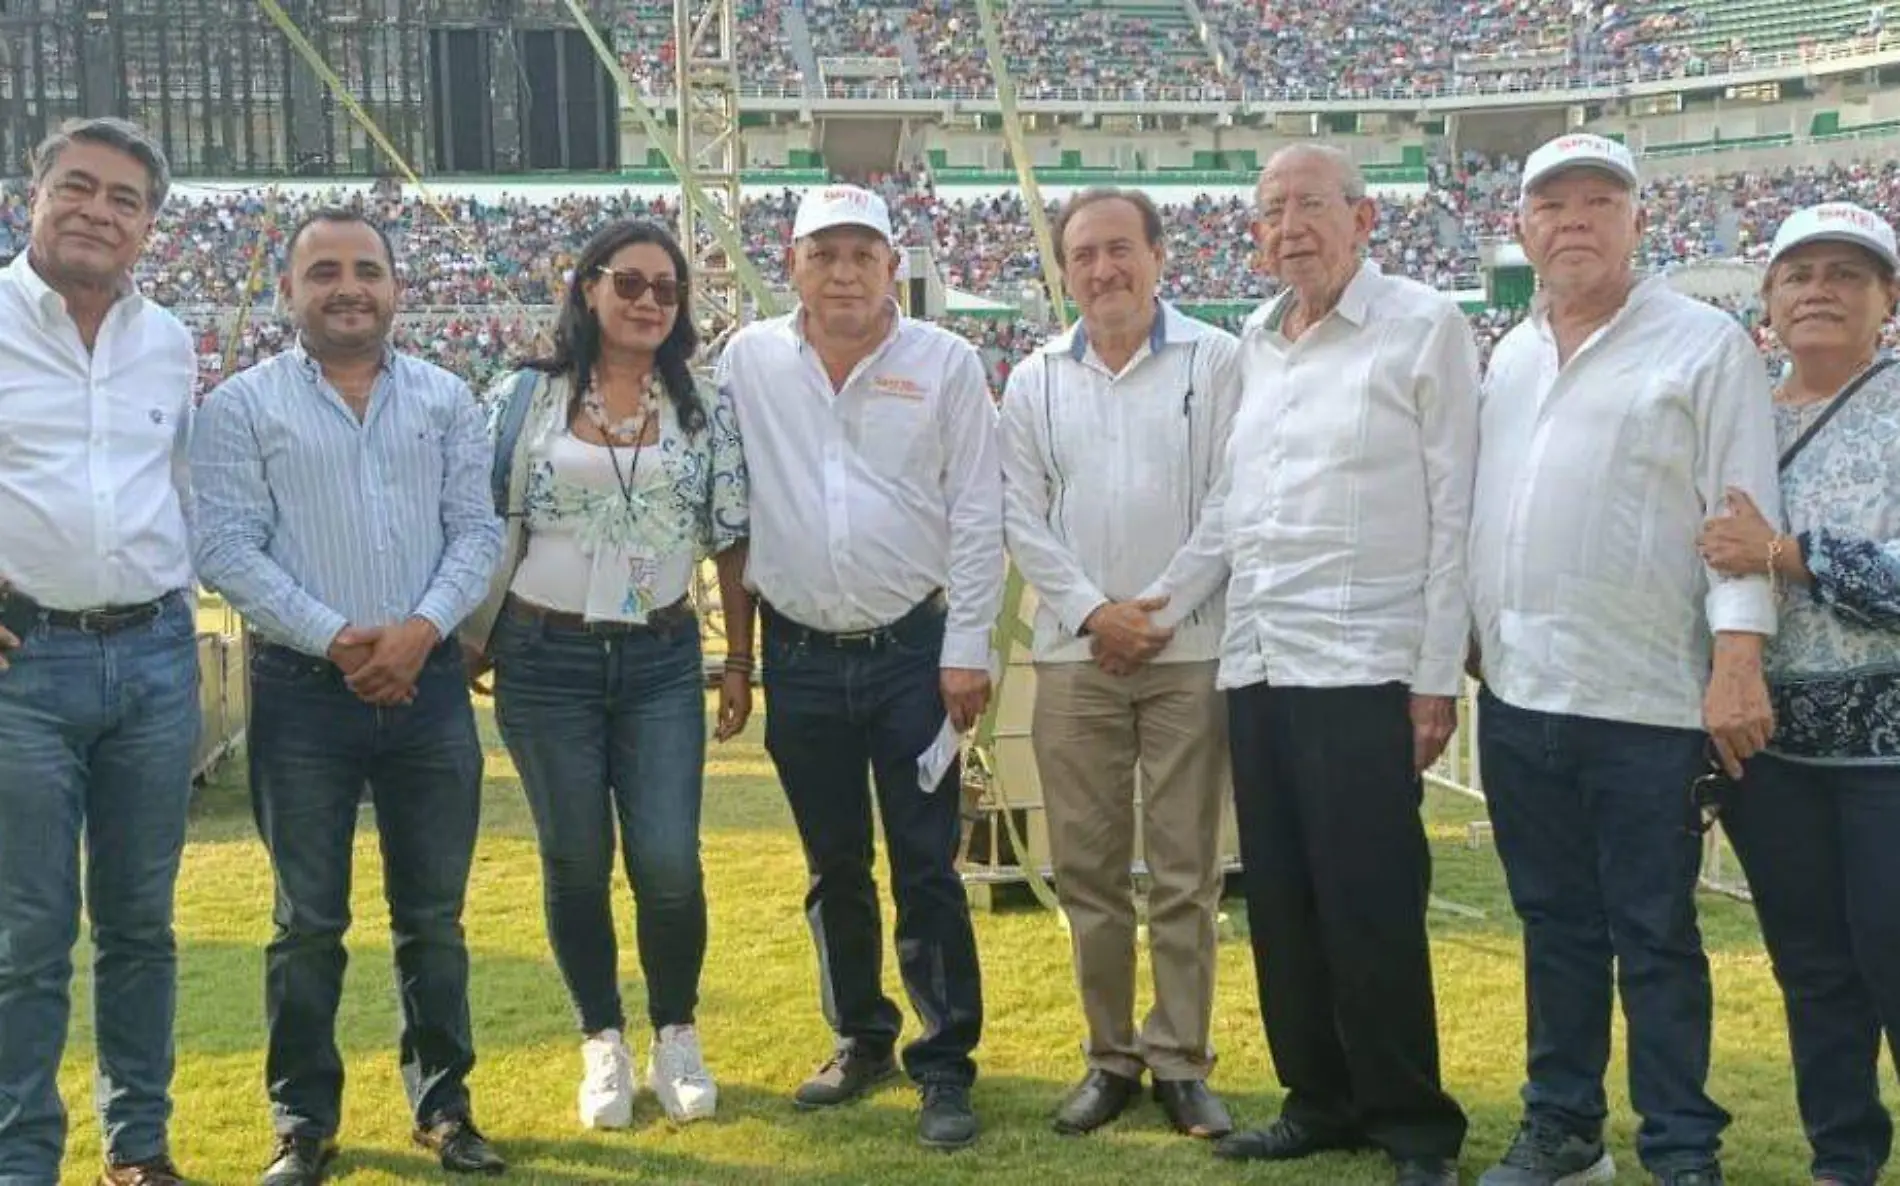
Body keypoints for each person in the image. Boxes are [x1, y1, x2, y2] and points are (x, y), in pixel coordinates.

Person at [1146, 144, 1477, 1186]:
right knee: (1281, 901)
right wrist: (1152, 608)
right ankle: (1317, 1098)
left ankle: (1411, 1120)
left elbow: (1452, 510)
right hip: (1258, 660)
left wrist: (1434, 673)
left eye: (1309, 206)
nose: (1289, 226)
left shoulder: (1423, 326)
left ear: (1362, 218)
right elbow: (1233, 513)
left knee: (1370, 901)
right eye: (1270, 211)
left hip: (1363, 665)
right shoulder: (1256, 340)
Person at [1468, 133, 1779, 1186]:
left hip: (1645, 697)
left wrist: (1737, 658)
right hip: (1516, 696)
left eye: (1599, 201)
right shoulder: (1508, 355)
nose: (1574, 220)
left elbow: (1740, 510)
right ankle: (1562, 1129)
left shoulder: (1702, 343)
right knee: (1553, 926)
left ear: (1637, 221)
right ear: (1520, 227)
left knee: (1653, 933)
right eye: (1551, 204)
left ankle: (1680, 1145)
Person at [190, 208, 506, 1186]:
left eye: (366, 268)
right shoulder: (242, 406)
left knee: (434, 917)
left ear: (396, 287)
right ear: (290, 290)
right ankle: (302, 1121)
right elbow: (227, 547)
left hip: (429, 686)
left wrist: (418, 632)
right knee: (307, 920)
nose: (347, 285)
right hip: (302, 690)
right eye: (322, 270)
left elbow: (477, 534)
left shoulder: (449, 398)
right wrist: (337, 638)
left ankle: (444, 1107)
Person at [718, 184, 1003, 1150]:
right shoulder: (748, 360)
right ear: (791, 261)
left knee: (926, 862)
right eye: (823, 253)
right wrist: (742, 656)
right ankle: (860, 1035)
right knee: (833, 863)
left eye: (862, 255)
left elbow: (976, 510)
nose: (843, 272)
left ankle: (945, 1060)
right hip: (800, 656)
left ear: (893, 266)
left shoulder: (946, 361)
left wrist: (969, 647)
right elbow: (730, 506)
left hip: (914, 654)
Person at [459, 220, 752, 1130]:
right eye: (629, 283)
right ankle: (603, 1042)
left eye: (667, 290)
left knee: (668, 860)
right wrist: (470, 631)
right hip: (545, 658)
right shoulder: (523, 396)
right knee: (576, 860)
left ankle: (675, 1033)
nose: (649, 303)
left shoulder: (702, 402)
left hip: (663, 656)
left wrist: (740, 658)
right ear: (587, 288)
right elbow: (473, 518)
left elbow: (732, 537)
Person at [998, 187, 1240, 1140]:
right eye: (1084, 255)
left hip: (1191, 651)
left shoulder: (1216, 361)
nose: (1103, 270)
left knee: (1186, 871)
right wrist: (1097, 612)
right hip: (1074, 656)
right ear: (1065, 270)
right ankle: (1110, 1058)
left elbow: (1234, 498)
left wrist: (1160, 609)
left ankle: (1181, 1059)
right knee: (1090, 872)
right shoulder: (1033, 380)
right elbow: (1020, 512)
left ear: (1158, 254)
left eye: (1119, 250)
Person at [0, 117, 199, 1186]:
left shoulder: (167, 339)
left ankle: (140, 1150)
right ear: (31, 195)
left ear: (149, 227)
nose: (97, 210)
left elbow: (169, 483)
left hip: (158, 657)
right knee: (25, 937)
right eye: (77, 187)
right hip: (20, 667)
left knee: (141, 927)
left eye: (125, 199)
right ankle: (22, 1159)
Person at [1696, 203, 1900, 1186]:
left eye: (1847, 274)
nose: (1820, 289)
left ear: (1886, 301)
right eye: (1800, 273)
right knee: (1813, 969)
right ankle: (1842, 1157)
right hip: (1766, 750)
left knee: (1893, 953)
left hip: (1887, 753)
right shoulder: (1734, 417)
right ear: (1766, 299)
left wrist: (1785, 556)